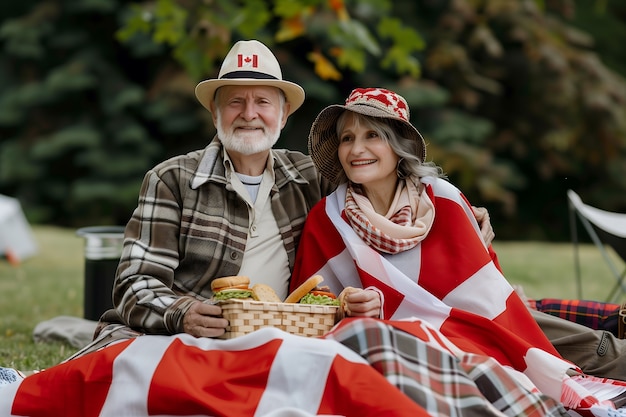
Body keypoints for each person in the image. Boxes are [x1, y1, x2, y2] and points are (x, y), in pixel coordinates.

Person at [71, 39, 625, 383]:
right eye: (234, 99)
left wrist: (460, 208)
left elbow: (381, 171)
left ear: (283, 113)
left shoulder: (306, 176)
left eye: (262, 100)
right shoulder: (171, 179)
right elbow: (135, 283)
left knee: (505, 318)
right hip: (212, 332)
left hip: (302, 324)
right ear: (215, 109)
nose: (248, 112)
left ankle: (607, 335)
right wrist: (183, 313)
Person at [288, 87, 626, 410]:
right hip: (409, 345)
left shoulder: (443, 200)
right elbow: (307, 308)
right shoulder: (328, 219)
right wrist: (349, 305)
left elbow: (486, 288)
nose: (356, 149)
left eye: (371, 135)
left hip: (484, 326)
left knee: (596, 350)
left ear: (398, 145)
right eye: (347, 138)